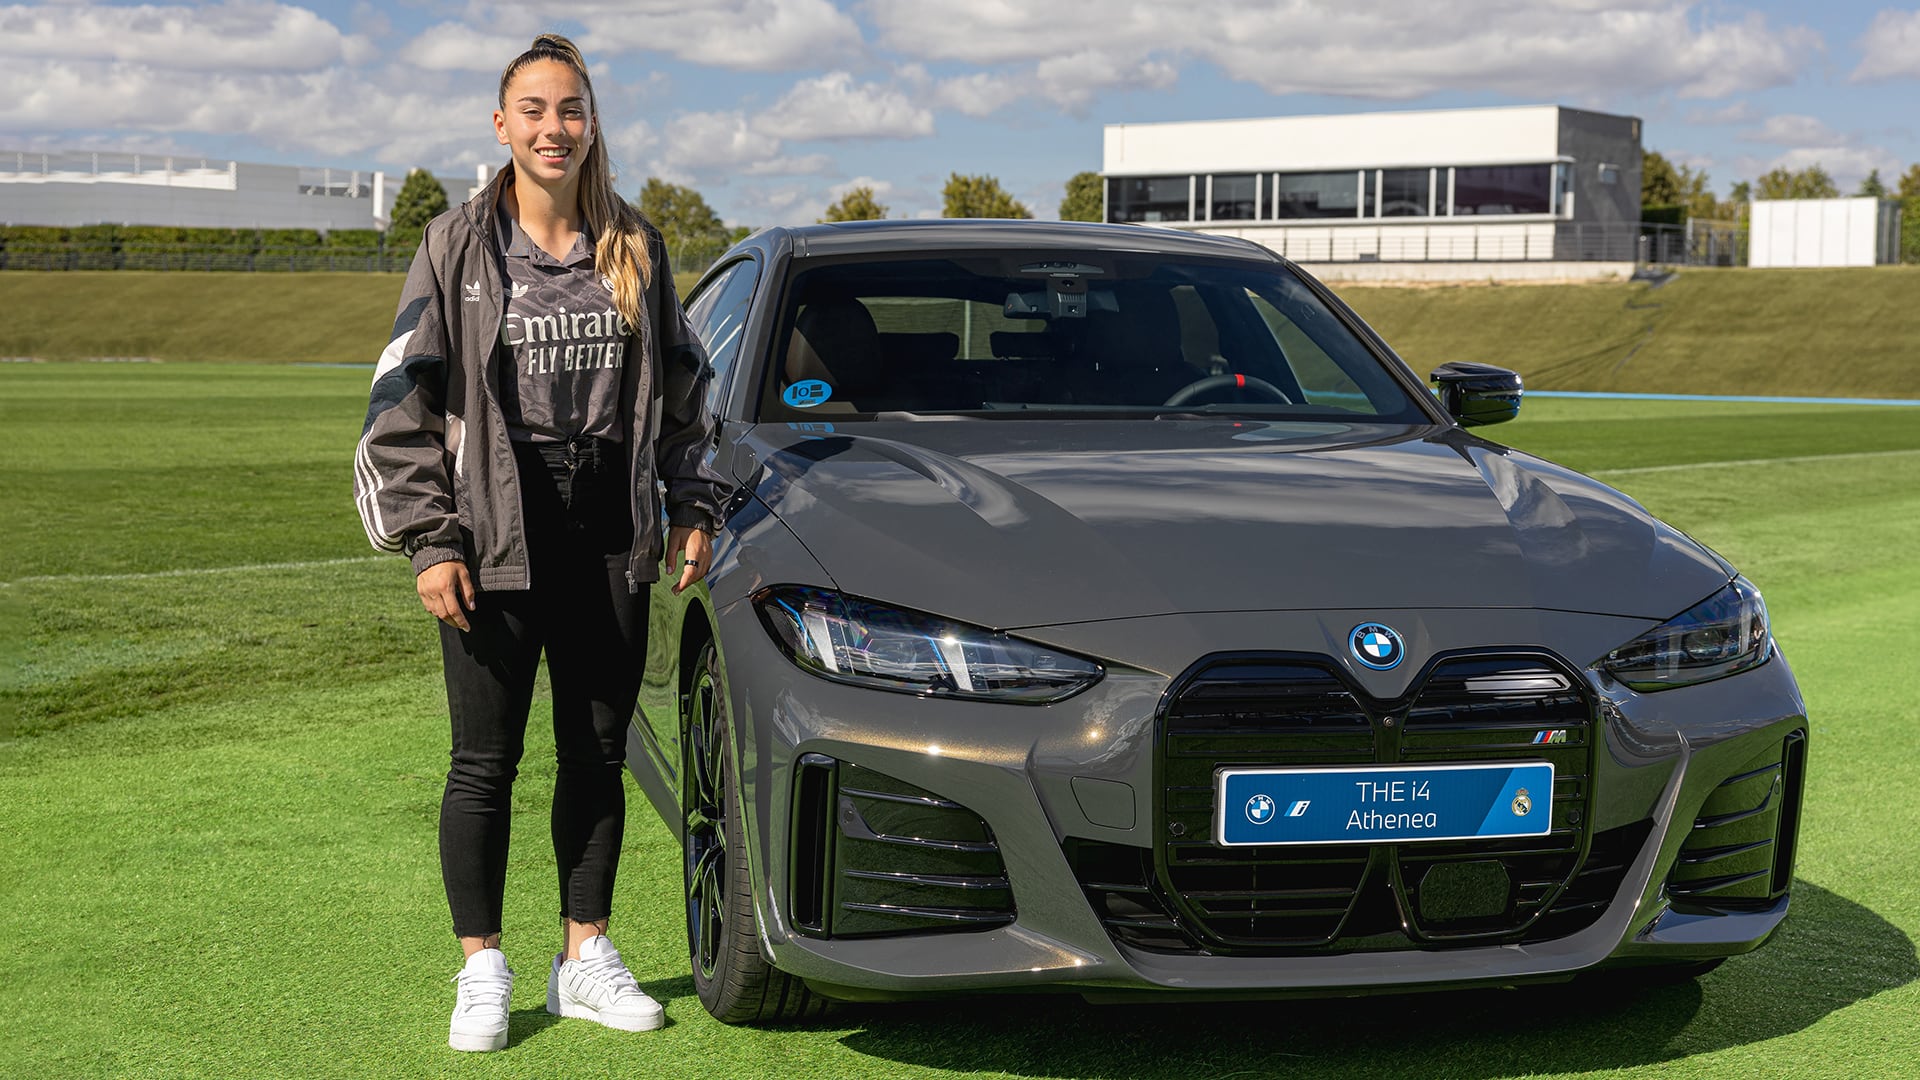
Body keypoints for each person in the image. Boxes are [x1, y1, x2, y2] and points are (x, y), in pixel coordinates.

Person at [352, 33, 730, 1053]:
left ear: (591, 123)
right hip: (493, 529)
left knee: (596, 754)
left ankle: (584, 959)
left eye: (570, 109)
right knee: (485, 760)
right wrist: (430, 539)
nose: (553, 127)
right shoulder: (458, 244)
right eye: (534, 110)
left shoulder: (635, 243)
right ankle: (482, 968)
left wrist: (692, 504)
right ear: (502, 124)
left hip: (609, 527)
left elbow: (691, 397)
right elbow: (402, 403)